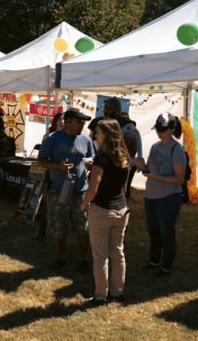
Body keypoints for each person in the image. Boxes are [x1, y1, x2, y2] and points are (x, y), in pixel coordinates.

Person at [80, 120, 131, 306]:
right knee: (118, 254)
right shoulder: (124, 156)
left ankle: (101, 296)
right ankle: (117, 292)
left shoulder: (102, 159)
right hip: (120, 211)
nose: (95, 135)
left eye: (98, 132)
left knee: (100, 257)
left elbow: (92, 190)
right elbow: (122, 186)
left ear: (107, 134)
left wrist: (84, 204)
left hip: (102, 212)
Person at [37, 108, 94, 273]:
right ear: (68, 121)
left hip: (80, 192)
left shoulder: (86, 139)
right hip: (58, 191)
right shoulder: (52, 138)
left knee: (83, 227)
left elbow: (90, 157)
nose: (83, 124)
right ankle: (60, 258)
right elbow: (41, 161)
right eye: (80, 121)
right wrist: (57, 166)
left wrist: (90, 163)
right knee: (59, 226)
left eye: (84, 121)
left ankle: (83, 260)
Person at [135, 113, 186, 277]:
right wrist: (143, 166)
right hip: (151, 196)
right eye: (157, 128)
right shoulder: (155, 146)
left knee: (166, 232)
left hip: (169, 197)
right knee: (153, 231)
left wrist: (155, 176)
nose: (159, 132)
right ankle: (154, 261)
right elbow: (150, 170)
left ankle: (166, 267)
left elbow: (179, 179)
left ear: (172, 129)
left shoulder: (177, 149)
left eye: (162, 129)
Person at [38, 111, 65, 242]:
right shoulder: (48, 136)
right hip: (50, 174)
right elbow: (43, 159)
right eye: (60, 119)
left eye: (65, 119)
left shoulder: (70, 136)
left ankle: (59, 231)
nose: (63, 121)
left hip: (66, 175)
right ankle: (42, 230)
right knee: (47, 204)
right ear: (55, 122)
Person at [122, 111, 143, 199]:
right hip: (122, 162)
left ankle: (125, 207)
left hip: (131, 163)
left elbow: (139, 147)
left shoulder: (135, 131)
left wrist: (138, 163)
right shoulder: (121, 129)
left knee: (127, 185)